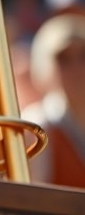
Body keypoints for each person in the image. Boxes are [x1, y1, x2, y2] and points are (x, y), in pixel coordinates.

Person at [24, 13, 85, 188]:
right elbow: (35, 202)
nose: (77, 68)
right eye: (63, 59)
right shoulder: (36, 128)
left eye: (83, 56)